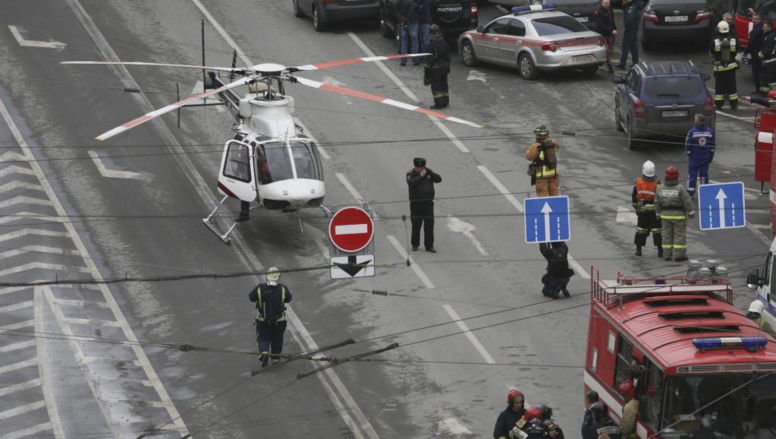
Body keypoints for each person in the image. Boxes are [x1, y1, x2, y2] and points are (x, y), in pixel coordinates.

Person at [248, 267, 293, 368]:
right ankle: (275, 358)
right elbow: (289, 299)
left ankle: (264, 353)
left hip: (263, 320)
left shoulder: (259, 288)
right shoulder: (282, 289)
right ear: (278, 278)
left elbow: (251, 297)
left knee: (263, 337)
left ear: (267, 276)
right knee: (277, 338)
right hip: (279, 321)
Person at [655, 166, 695, 262]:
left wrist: (657, 213)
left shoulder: (660, 188)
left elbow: (656, 202)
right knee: (679, 235)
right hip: (679, 216)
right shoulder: (680, 188)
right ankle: (679, 255)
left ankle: (667, 255)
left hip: (665, 216)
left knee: (666, 235)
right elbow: (687, 201)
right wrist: (691, 213)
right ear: (677, 176)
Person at [407, 157, 442, 252]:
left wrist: (430, 172)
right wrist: (420, 176)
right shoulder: (410, 174)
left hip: (428, 204)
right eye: (417, 167)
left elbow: (438, 179)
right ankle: (415, 244)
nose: (419, 169)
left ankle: (429, 246)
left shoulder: (428, 173)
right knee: (416, 225)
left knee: (429, 226)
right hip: (416, 205)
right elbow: (411, 183)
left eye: (421, 167)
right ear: (415, 166)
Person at [632, 160, 663, 257]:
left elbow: (634, 198)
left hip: (642, 211)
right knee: (657, 231)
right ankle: (660, 251)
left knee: (641, 230)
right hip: (655, 212)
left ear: (643, 170)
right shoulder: (658, 182)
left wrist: (637, 209)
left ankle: (638, 251)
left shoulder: (638, 182)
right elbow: (661, 198)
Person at [711, 20, 740, 109]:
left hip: (719, 68)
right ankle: (734, 103)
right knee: (732, 85)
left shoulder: (715, 41)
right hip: (731, 66)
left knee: (719, 86)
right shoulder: (733, 40)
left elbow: (712, 51)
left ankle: (719, 104)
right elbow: (737, 49)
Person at [685, 114, 716, 197]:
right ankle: (704, 192)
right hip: (705, 157)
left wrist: (689, 152)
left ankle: (691, 192)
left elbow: (688, 143)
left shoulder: (692, 131)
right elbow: (712, 144)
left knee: (692, 175)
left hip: (695, 157)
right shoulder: (709, 131)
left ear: (698, 121)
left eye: (695, 119)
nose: (694, 121)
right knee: (704, 174)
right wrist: (711, 153)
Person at [525, 124, 560, 197]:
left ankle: (545, 208)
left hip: (542, 176)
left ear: (537, 135)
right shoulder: (552, 143)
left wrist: (528, 151)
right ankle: (556, 207)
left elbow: (529, 157)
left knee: (542, 195)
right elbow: (557, 146)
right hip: (554, 175)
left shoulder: (535, 145)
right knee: (554, 193)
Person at [423, 24, 451, 109]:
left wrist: (426, 74)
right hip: (445, 67)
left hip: (435, 69)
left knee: (436, 86)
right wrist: (448, 67)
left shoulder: (430, 46)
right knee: (444, 85)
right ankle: (445, 102)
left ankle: (439, 104)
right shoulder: (445, 43)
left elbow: (428, 61)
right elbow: (448, 57)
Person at [615, 0, 642, 69]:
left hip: (630, 28)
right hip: (633, 28)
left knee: (625, 46)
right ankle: (635, 62)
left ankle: (622, 63)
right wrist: (625, 4)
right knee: (633, 46)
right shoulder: (634, 4)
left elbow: (630, 18)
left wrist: (626, 26)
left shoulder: (633, 7)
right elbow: (625, 10)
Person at [593, 0, 617, 73]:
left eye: (608, 3)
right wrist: (611, 30)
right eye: (605, 3)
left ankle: (606, 64)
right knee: (606, 50)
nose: (607, 5)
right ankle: (609, 66)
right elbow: (600, 25)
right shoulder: (600, 12)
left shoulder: (610, 10)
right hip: (602, 34)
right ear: (602, 3)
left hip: (609, 34)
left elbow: (612, 21)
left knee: (609, 50)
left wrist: (615, 29)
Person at [397, 0, 420, 67]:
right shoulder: (412, 1)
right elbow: (412, 11)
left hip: (403, 23)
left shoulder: (400, 1)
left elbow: (397, 12)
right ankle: (415, 60)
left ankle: (403, 61)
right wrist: (406, 20)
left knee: (404, 42)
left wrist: (403, 20)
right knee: (414, 41)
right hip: (412, 22)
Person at [748, 13, 764, 93]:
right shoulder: (762, 27)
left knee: (756, 72)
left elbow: (751, 43)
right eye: (753, 18)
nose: (753, 20)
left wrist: (746, 51)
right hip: (762, 53)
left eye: (756, 19)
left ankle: (758, 89)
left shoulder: (755, 30)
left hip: (756, 54)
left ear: (760, 20)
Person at [759, 20, 776, 94]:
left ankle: (770, 95)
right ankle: (766, 94)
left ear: (769, 27)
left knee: (770, 81)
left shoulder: (770, 37)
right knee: (767, 80)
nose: (763, 28)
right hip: (770, 62)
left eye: (764, 27)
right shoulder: (770, 35)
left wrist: (760, 54)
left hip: (769, 62)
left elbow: (767, 50)